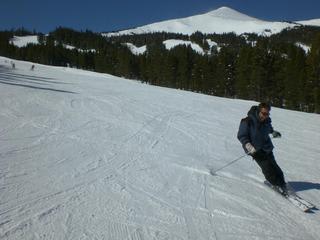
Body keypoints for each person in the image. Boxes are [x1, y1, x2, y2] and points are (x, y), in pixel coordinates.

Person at [237, 103, 287, 194]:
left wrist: (273, 132)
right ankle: (276, 185)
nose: (265, 116)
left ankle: (282, 184)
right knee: (268, 169)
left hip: (267, 148)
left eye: (267, 114)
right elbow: (242, 136)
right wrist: (248, 145)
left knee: (276, 168)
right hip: (255, 150)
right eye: (264, 113)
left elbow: (269, 128)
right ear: (258, 111)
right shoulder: (247, 121)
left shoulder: (267, 120)